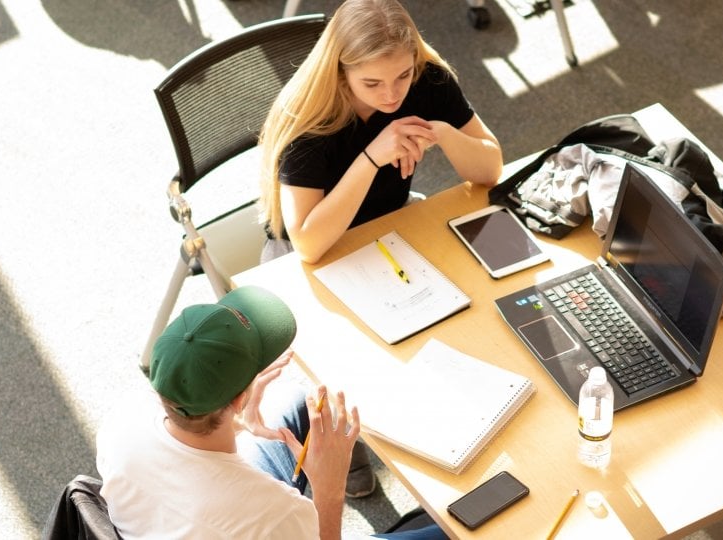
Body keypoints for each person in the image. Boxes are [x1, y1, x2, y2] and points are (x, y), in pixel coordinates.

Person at [96, 285, 446, 539]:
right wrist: (329, 488)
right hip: (235, 520)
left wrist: (242, 424)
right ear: (237, 399)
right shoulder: (272, 513)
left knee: (293, 401)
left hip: (176, 521)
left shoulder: (121, 419)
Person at [258, 0, 503, 265]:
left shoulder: (428, 78)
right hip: (309, 251)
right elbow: (307, 245)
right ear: (341, 73)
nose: (391, 95)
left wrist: (439, 131)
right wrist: (372, 157)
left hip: (390, 219)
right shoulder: (310, 120)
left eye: (403, 75)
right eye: (372, 83)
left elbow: (490, 171)